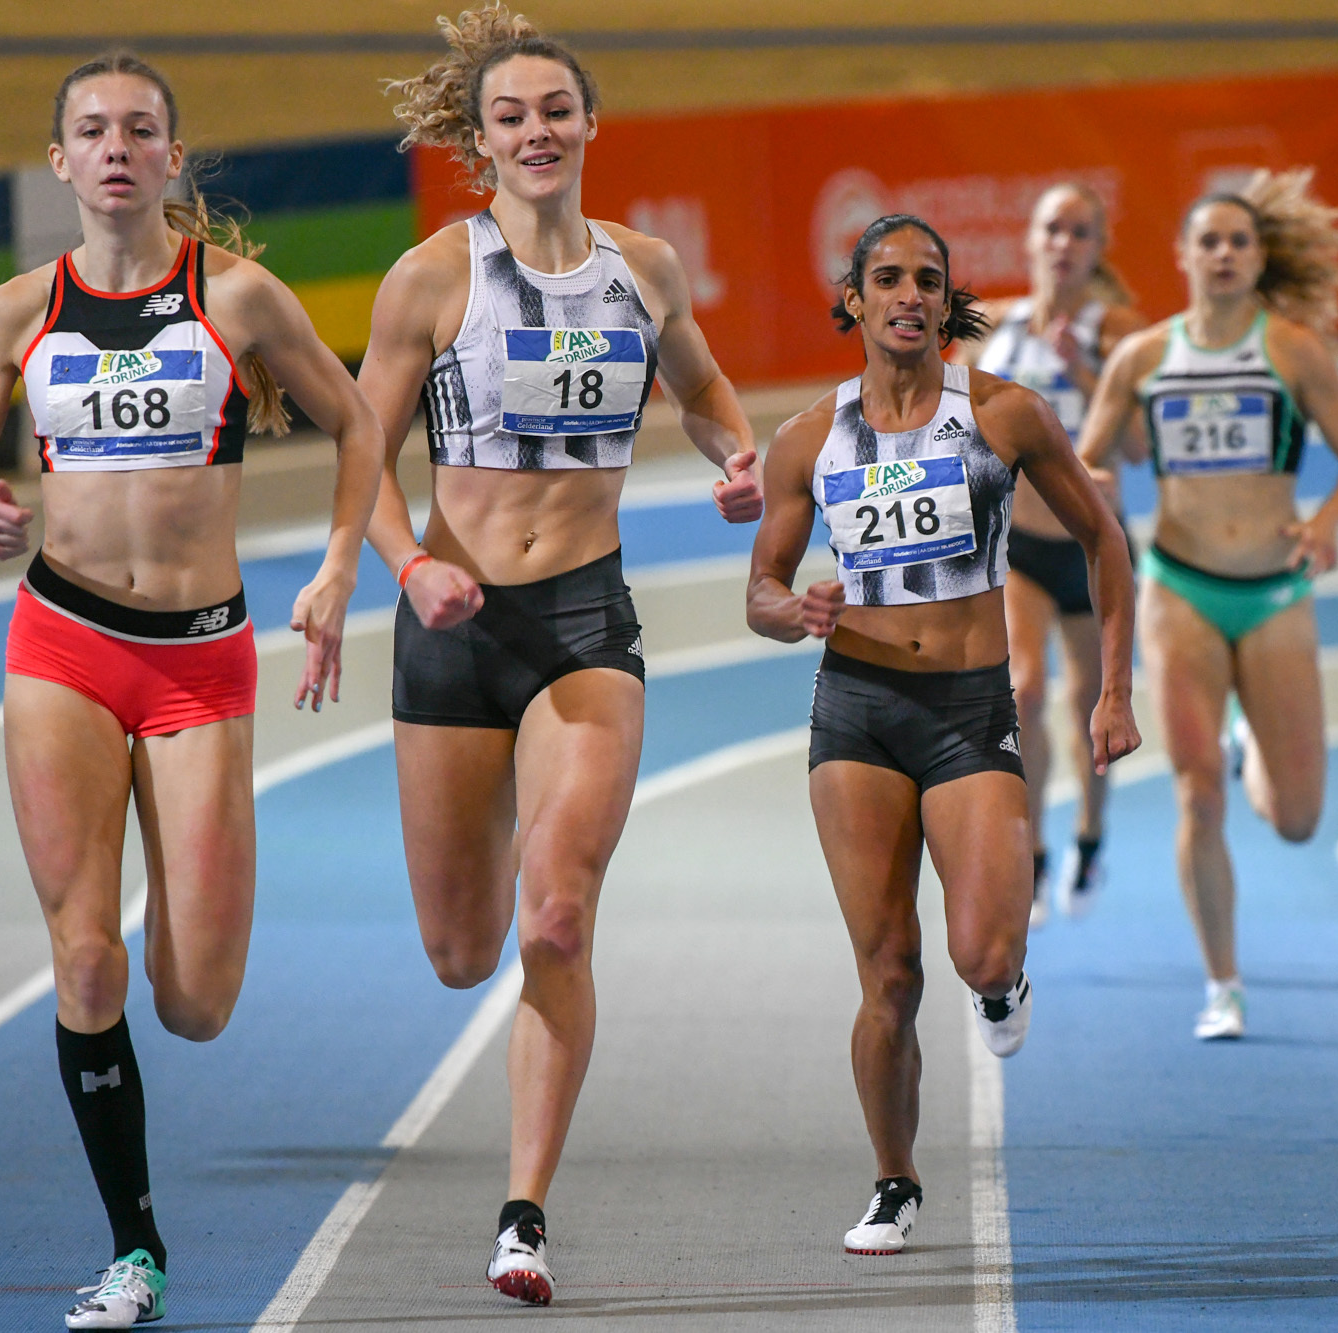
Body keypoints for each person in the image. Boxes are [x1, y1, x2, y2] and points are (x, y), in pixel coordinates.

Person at [0, 52, 383, 1329]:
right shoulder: (14, 311)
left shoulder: (236, 297)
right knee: (86, 960)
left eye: (139, 130)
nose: (116, 147)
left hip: (199, 659)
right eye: (92, 130)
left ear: (172, 158)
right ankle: (136, 1248)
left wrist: (340, 566)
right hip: (63, 646)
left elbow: (357, 423)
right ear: (61, 162)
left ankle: (182, 888)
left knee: (195, 1002)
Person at [359, 6, 762, 1306]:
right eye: (510, 116)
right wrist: (408, 567)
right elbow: (363, 458)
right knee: (462, 950)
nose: (536, 131)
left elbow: (703, 389)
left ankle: (522, 1216)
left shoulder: (644, 270)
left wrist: (737, 456)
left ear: (590, 123)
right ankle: (485, 888)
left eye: (554, 110)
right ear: (479, 143)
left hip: (584, 622)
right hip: (452, 628)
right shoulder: (433, 277)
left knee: (559, 915)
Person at [748, 214, 1138, 1255]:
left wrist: (1112, 691)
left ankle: (1003, 986)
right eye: (887, 278)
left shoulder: (1004, 415)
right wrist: (791, 608)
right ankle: (893, 1179)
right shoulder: (808, 439)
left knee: (982, 953)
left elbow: (1103, 539)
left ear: (947, 299)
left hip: (968, 711)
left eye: (927, 278)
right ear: (855, 300)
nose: (909, 295)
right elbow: (760, 590)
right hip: (857, 712)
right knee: (887, 971)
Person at [1076, 169, 1338, 1041]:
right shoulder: (1144, 359)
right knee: (1196, 794)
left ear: (1257, 258)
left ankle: (1251, 742)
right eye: (1207, 241)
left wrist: (1324, 522)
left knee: (1296, 820)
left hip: (1275, 593)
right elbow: (1086, 459)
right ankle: (1223, 983)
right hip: (1181, 590)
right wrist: (1095, 483)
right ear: (1182, 255)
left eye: (1238, 242)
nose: (1223, 255)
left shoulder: (1291, 351)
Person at [953, 183, 1147, 925]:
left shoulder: (1117, 331)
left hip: (1095, 550)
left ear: (1098, 250)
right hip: (1020, 545)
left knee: (1091, 705)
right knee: (1025, 690)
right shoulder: (992, 330)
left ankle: (1091, 837)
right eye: (1052, 229)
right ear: (1031, 240)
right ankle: (1032, 851)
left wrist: (1086, 371)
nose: (1063, 244)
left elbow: (1141, 446)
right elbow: (951, 426)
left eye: (1079, 232)